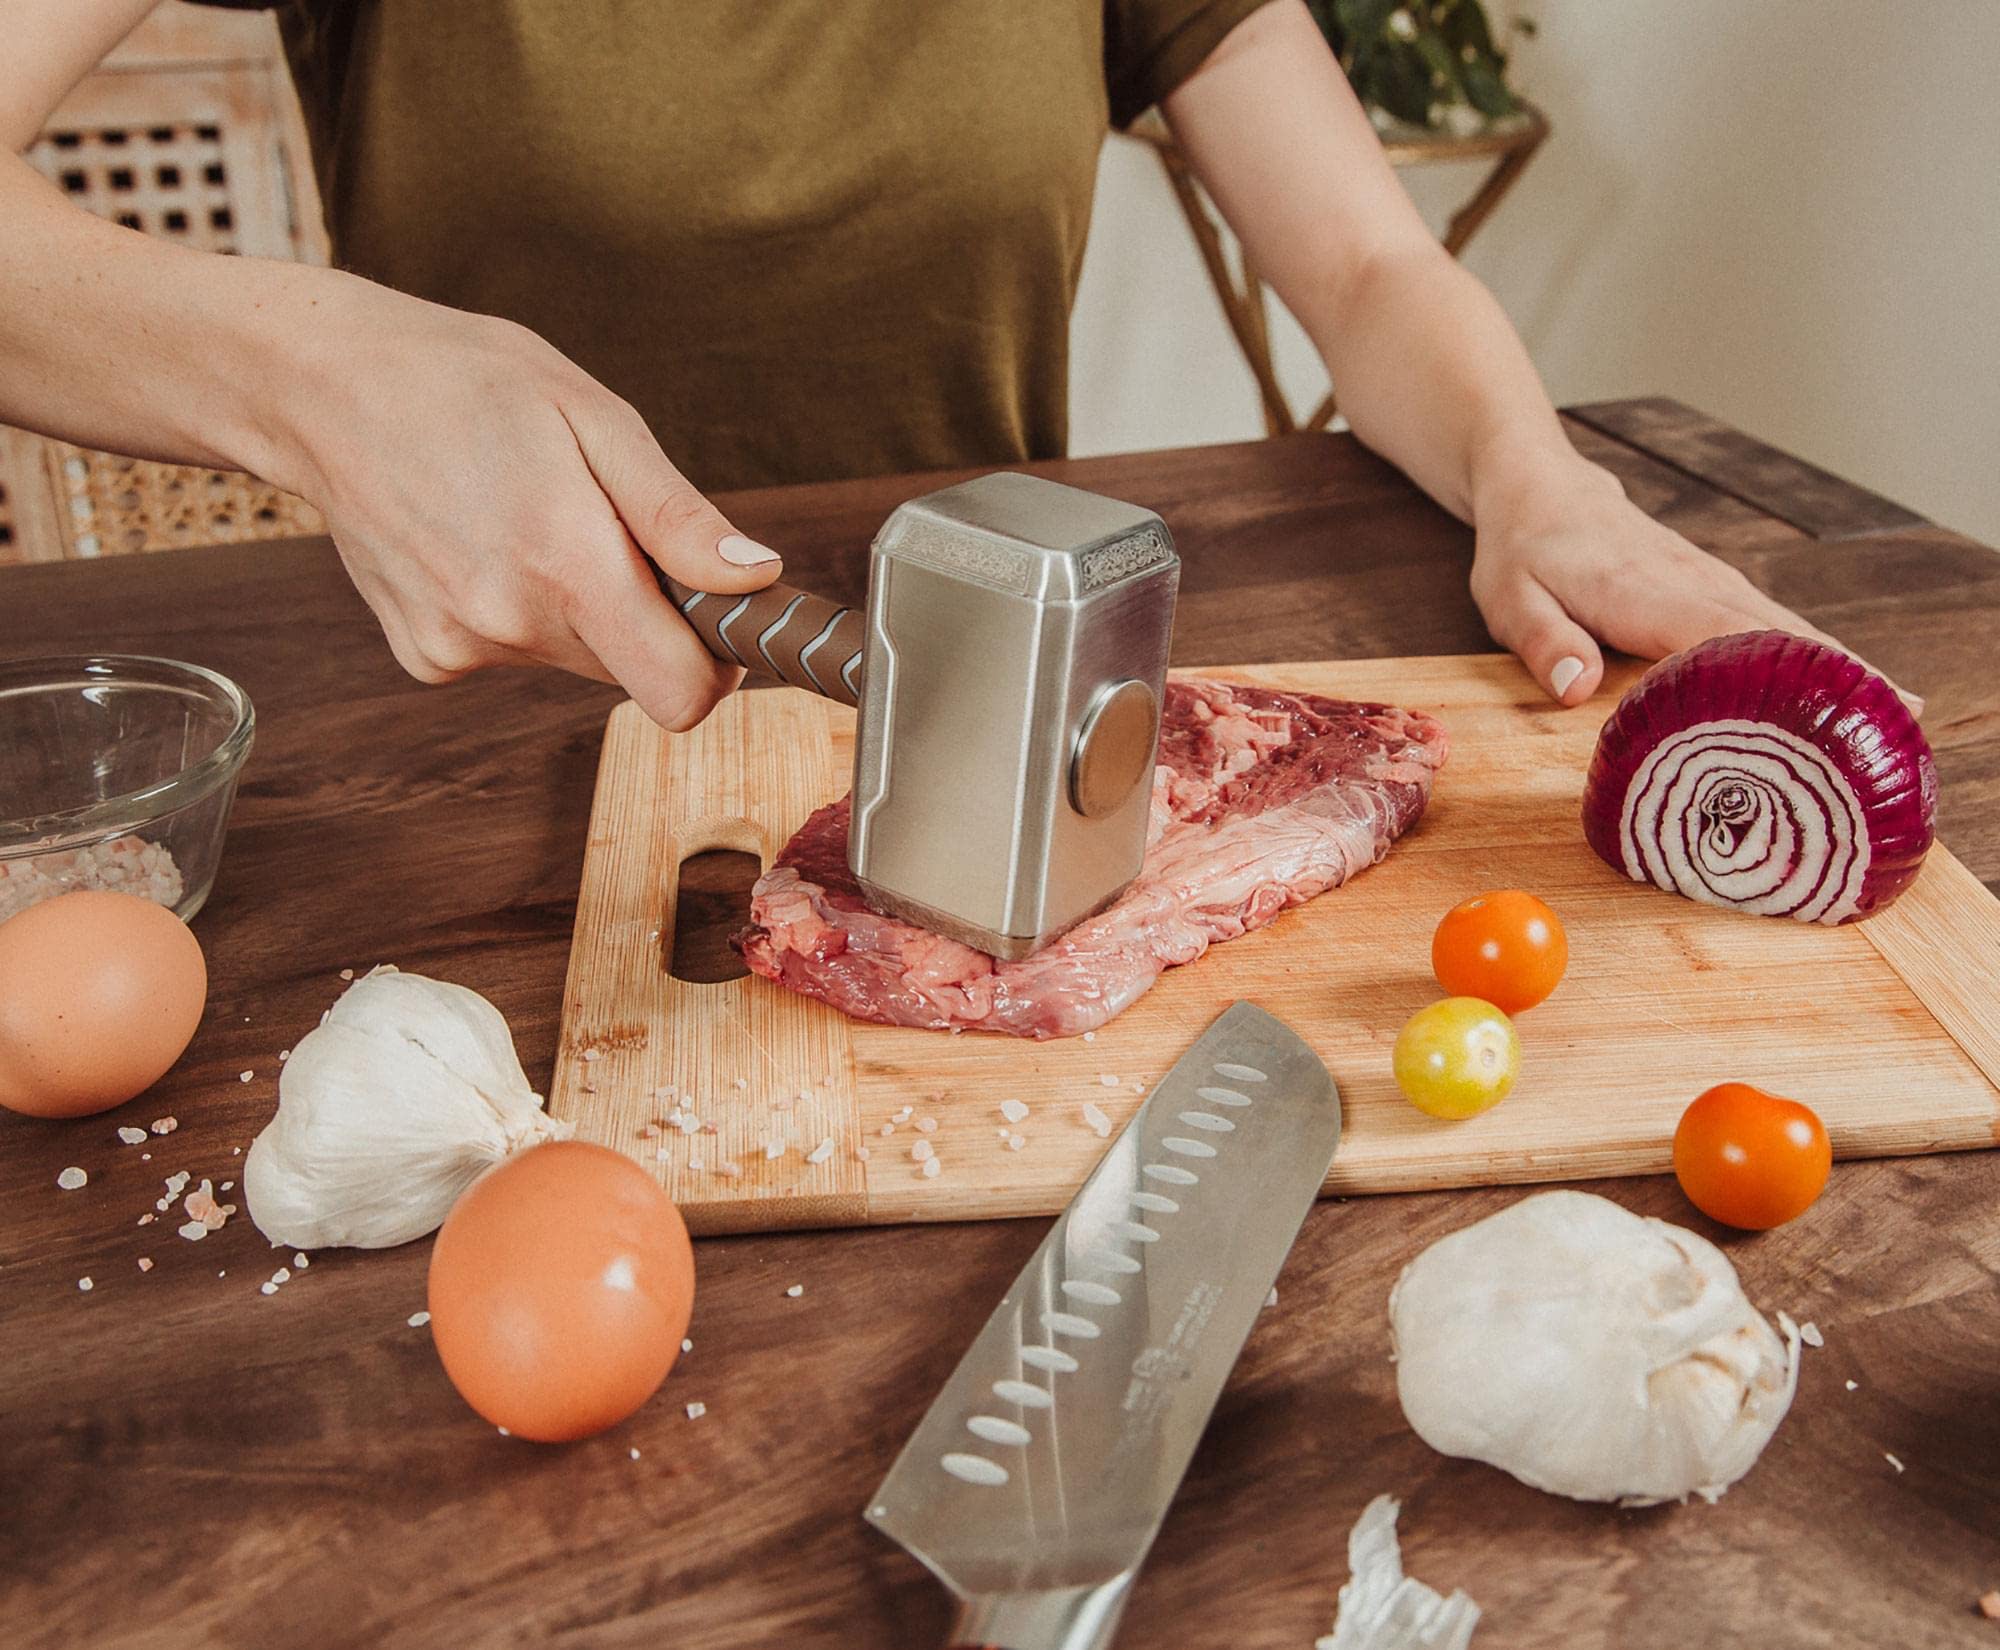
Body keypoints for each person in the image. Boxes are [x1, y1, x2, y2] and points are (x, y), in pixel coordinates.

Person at [3, 0, 1856, 732]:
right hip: (480, 748)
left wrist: (1534, 471)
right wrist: (312, 371)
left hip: (974, 726)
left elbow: (1369, 263)